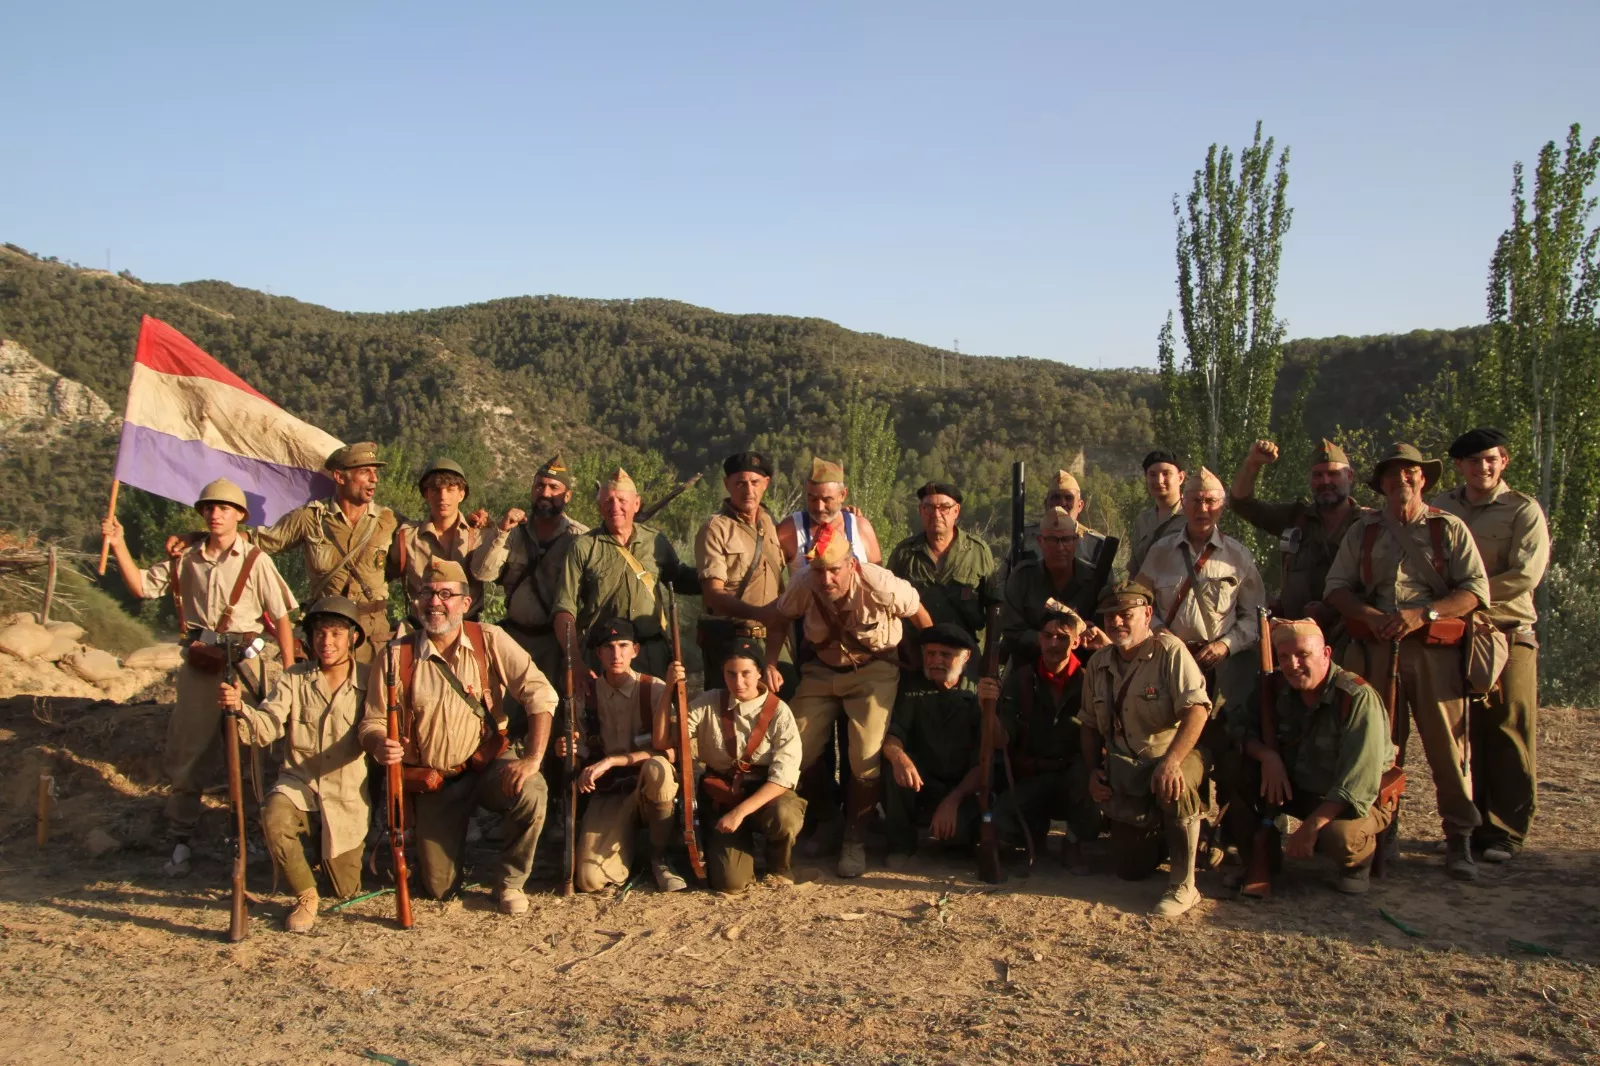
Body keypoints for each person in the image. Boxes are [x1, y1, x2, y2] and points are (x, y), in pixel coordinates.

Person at [102, 478, 298, 876]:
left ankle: (255, 837)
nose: (215, 514)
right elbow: (141, 586)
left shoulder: (256, 559)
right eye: (209, 508)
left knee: (255, 754)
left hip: (246, 662)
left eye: (224, 508)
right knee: (188, 754)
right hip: (200, 662)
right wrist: (119, 542)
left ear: (240, 515)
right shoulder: (185, 559)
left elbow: (281, 617)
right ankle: (181, 839)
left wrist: (292, 674)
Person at [1324, 442, 1491, 881]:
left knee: (1449, 751)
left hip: (1434, 653)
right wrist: (1370, 616)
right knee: (1377, 749)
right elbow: (1337, 588)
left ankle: (1459, 841)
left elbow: (1474, 590)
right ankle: (1381, 831)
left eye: (1410, 473)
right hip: (1376, 651)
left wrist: (1425, 613)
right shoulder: (1364, 531)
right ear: (1379, 484)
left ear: (1423, 479)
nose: (1402, 480)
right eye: (1393, 474)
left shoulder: (1447, 528)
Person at [360, 560, 559, 915]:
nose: (435, 602)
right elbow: (371, 722)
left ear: (466, 603)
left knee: (532, 790)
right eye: (427, 593)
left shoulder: (490, 639)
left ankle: (509, 883)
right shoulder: (395, 656)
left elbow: (540, 694)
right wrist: (380, 744)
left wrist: (532, 759)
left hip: (489, 764)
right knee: (438, 889)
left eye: (446, 594)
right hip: (436, 779)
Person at [763, 521, 931, 877]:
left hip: (874, 671)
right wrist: (770, 662)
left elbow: (919, 615)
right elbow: (778, 619)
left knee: (865, 755)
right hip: (822, 671)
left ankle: (855, 839)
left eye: (834, 571)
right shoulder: (804, 581)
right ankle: (828, 820)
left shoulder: (880, 583)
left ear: (851, 564)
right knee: (795, 750)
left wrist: (932, 660)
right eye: (820, 571)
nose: (826, 580)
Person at [1432, 427, 1550, 863]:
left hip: (1506, 631)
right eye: (1474, 461)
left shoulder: (1523, 510)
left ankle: (1505, 833)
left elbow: (1525, 575)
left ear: (1504, 462)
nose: (1484, 467)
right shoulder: (1440, 507)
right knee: (1460, 735)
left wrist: (1465, 597)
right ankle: (1468, 828)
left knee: (1508, 727)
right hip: (1449, 635)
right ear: (1460, 465)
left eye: (1492, 459)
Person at [221, 596, 371, 931]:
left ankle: (318, 857)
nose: (326, 642)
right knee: (274, 815)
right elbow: (268, 724)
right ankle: (306, 896)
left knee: (345, 889)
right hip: (299, 784)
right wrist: (241, 709)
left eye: (335, 633)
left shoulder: (370, 680)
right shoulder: (294, 678)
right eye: (320, 633)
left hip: (345, 798)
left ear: (353, 638)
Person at [1218, 618, 1396, 896]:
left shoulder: (1356, 698)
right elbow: (1238, 726)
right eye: (1284, 657)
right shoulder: (1274, 687)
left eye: (1303, 655)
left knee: (1338, 838)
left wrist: (1310, 827)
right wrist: (1267, 757)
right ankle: (1261, 860)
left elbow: (1358, 781)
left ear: (1326, 654)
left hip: (1352, 798)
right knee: (1235, 767)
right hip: (1295, 786)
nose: (1293, 664)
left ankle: (1357, 864)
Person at [1081, 580, 1211, 918]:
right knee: (1129, 869)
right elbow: (1090, 725)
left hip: (1172, 755)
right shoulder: (1098, 663)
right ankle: (1177, 838)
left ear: (1148, 614)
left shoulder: (1169, 652)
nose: (1117, 622)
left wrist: (1172, 761)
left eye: (1126, 614)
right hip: (1128, 768)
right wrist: (1092, 769)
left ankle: (1185, 885)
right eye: (1110, 616)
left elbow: (1197, 709)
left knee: (1174, 783)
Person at [560, 619, 682, 893]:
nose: (617, 655)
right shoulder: (586, 695)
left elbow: (673, 752)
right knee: (590, 879)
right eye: (609, 647)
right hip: (610, 791)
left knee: (658, 768)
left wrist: (614, 760)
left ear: (635, 650)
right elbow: (579, 748)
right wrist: (568, 750)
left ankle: (659, 857)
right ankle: (631, 850)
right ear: (599, 654)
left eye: (623, 646)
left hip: (646, 783)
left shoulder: (655, 689)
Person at [1135, 467, 1265, 719]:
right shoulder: (1160, 552)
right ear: (1183, 503)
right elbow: (1139, 603)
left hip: (1223, 669)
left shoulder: (1238, 556)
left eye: (1210, 501)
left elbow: (1255, 617)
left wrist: (1225, 646)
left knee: (1224, 734)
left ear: (1222, 506)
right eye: (1195, 501)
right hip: (1169, 664)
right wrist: (1160, 632)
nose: (1202, 509)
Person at [250, 442, 400, 659]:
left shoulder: (389, 520)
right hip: (325, 634)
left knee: (374, 692)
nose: (374, 479)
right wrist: (200, 537)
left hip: (372, 635)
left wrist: (467, 528)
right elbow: (259, 542)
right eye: (365, 472)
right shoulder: (310, 518)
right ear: (340, 477)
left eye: (375, 473)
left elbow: (426, 540)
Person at [984, 603, 1102, 873]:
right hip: (1034, 773)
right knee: (1000, 820)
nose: (1053, 643)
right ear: (1039, 639)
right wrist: (987, 709)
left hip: (1074, 775)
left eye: (1062, 637)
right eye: (1048, 636)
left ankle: (1073, 842)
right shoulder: (1021, 680)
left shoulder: (1089, 681)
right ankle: (1034, 832)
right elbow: (1001, 740)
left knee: (1089, 777)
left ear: (1075, 643)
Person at [552, 467, 701, 680]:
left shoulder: (655, 541)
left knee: (656, 713)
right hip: (603, 658)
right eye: (608, 501)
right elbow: (564, 609)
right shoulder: (584, 547)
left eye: (622, 500)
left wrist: (717, 578)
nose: (615, 507)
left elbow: (677, 578)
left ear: (637, 504)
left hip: (651, 656)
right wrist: (575, 663)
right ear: (600, 506)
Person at [681, 640, 806, 893]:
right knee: (730, 883)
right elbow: (671, 737)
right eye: (731, 674)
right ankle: (741, 850)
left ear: (760, 672)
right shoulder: (707, 702)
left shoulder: (780, 712)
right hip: (723, 796)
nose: (738, 682)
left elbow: (784, 777)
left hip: (764, 796)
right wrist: (671, 691)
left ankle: (778, 865)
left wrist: (740, 813)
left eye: (746, 673)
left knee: (784, 815)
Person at [472, 455, 590, 682]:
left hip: (557, 648)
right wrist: (501, 531)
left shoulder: (580, 538)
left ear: (567, 496)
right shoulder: (513, 533)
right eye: (539, 485)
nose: (545, 493)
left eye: (554, 487)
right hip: (514, 640)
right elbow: (481, 573)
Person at [1229, 438, 1365, 633]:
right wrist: (1253, 464)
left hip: (1350, 637)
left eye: (1333, 474)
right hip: (1294, 641)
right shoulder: (1296, 518)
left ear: (1350, 476)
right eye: (1318, 475)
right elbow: (1241, 504)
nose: (1325, 481)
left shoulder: (1368, 525)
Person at [881, 624, 986, 866]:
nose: (936, 661)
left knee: (957, 838)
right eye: (930, 654)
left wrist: (955, 799)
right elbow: (892, 734)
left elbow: (986, 760)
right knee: (894, 770)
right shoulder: (911, 688)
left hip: (965, 788)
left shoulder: (980, 692)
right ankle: (900, 845)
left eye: (946, 655)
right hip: (924, 783)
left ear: (966, 657)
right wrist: (899, 758)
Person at [694, 451, 786, 689]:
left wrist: (845, 514)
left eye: (755, 482)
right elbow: (713, 594)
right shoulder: (715, 529)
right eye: (740, 483)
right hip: (732, 641)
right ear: (727, 484)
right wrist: (759, 613)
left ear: (766, 484)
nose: (749, 490)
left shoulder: (770, 523)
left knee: (779, 716)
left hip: (773, 643)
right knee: (730, 718)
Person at [887, 480, 1000, 649]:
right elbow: (888, 604)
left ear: (956, 511)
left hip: (964, 653)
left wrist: (990, 659)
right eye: (929, 507)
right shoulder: (904, 553)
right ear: (921, 511)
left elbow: (994, 607)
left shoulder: (977, 552)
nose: (936, 514)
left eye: (944, 508)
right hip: (914, 655)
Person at [1000, 506, 1110, 666]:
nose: (1060, 548)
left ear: (1076, 541)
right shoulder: (1023, 577)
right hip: (1030, 669)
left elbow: (1108, 628)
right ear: (1040, 541)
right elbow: (1011, 632)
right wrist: (1051, 639)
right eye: (1052, 540)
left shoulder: (1095, 579)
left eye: (1066, 540)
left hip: (1084, 670)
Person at [389, 458, 495, 618]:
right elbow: (383, 575)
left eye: (450, 489)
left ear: (461, 494)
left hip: (467, 627)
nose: (443, 497)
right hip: (421, 628)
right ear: (426, 494)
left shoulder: (480, 535)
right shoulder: (408, 537)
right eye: (436, 490)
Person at [776, 456, 883, 567]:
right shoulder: (790, 530)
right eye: (812, 499)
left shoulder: (861, 528)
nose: (819, 507)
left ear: (843, 495)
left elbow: (879, 580)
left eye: (827, 500)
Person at [1128, 450, 1187, 578]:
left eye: (1166, 474)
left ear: (1181, 477)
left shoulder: (1193, 517)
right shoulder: (1142, 520)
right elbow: (1135, 569)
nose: (1159, 481)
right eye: (1152, 475)